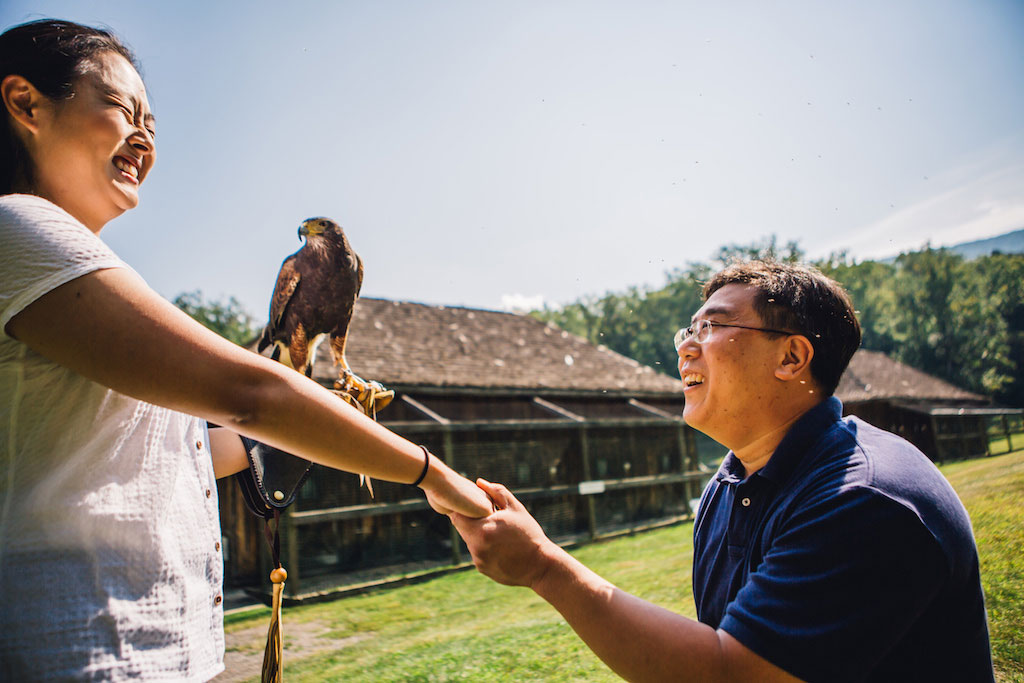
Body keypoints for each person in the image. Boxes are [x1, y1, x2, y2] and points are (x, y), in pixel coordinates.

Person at [0, 18, 492, 681]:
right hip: (81, 653)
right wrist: (435, 473)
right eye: (122, 107)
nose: (145, 135)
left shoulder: (62, 270)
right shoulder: (15, 228)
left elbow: (179, 452)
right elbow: (249, 392)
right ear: (26, 103)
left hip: (154, 654)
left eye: (154, 120)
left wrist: (312, 422)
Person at [452, 260, 994, 682]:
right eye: (687, 330)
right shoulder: (727, 488)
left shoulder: (867, 499)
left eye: (711, 328)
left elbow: (731, 674)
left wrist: (544, 566)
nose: (685, 349)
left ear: (791, 358)